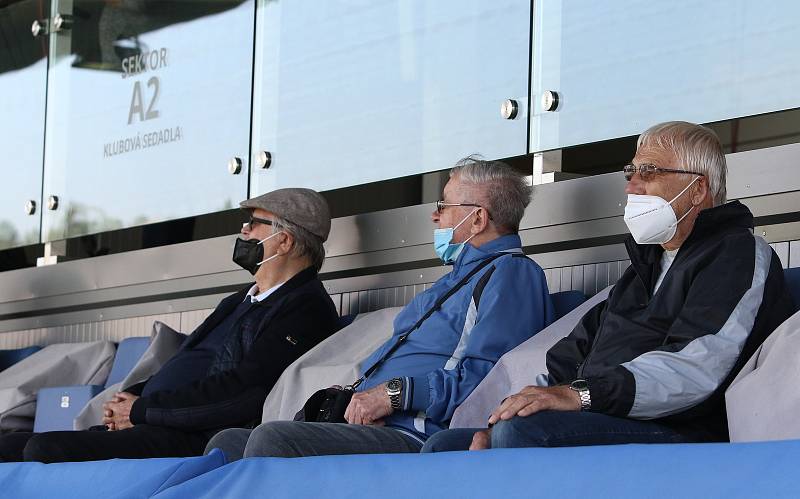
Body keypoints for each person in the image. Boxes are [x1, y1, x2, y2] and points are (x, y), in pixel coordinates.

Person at [422, 121, 795, 453]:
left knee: (521, 436)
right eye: (631, 171)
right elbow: (567, 361)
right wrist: (501, 416)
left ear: (697, 190)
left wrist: (580, 396)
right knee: (446, 447)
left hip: (680, 432)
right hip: (604, 414)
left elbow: (698, 366)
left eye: (648, 171)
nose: (631, 184)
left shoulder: (737, 253)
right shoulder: (643, 268)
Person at [205, 156, 555, 460]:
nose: (435, 217)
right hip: (377, 422)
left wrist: (395, 396)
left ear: (477, 219)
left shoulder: (511, 275)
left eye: (444, 206)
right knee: (228, 444)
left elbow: (492, 380)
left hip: (417, 433)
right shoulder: (455, 278)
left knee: (272, 440)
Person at [0, 188, 340, 462]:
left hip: (195, 438)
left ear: (285, 241)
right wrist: (135, 395)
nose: (244, 230)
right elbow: (192, 362)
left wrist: (143, 410)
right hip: (154, 421)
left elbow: (244, 392)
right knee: (9, 445)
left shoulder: (304, 307)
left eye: (254, 223)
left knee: (42, 451)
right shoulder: (240, 300)